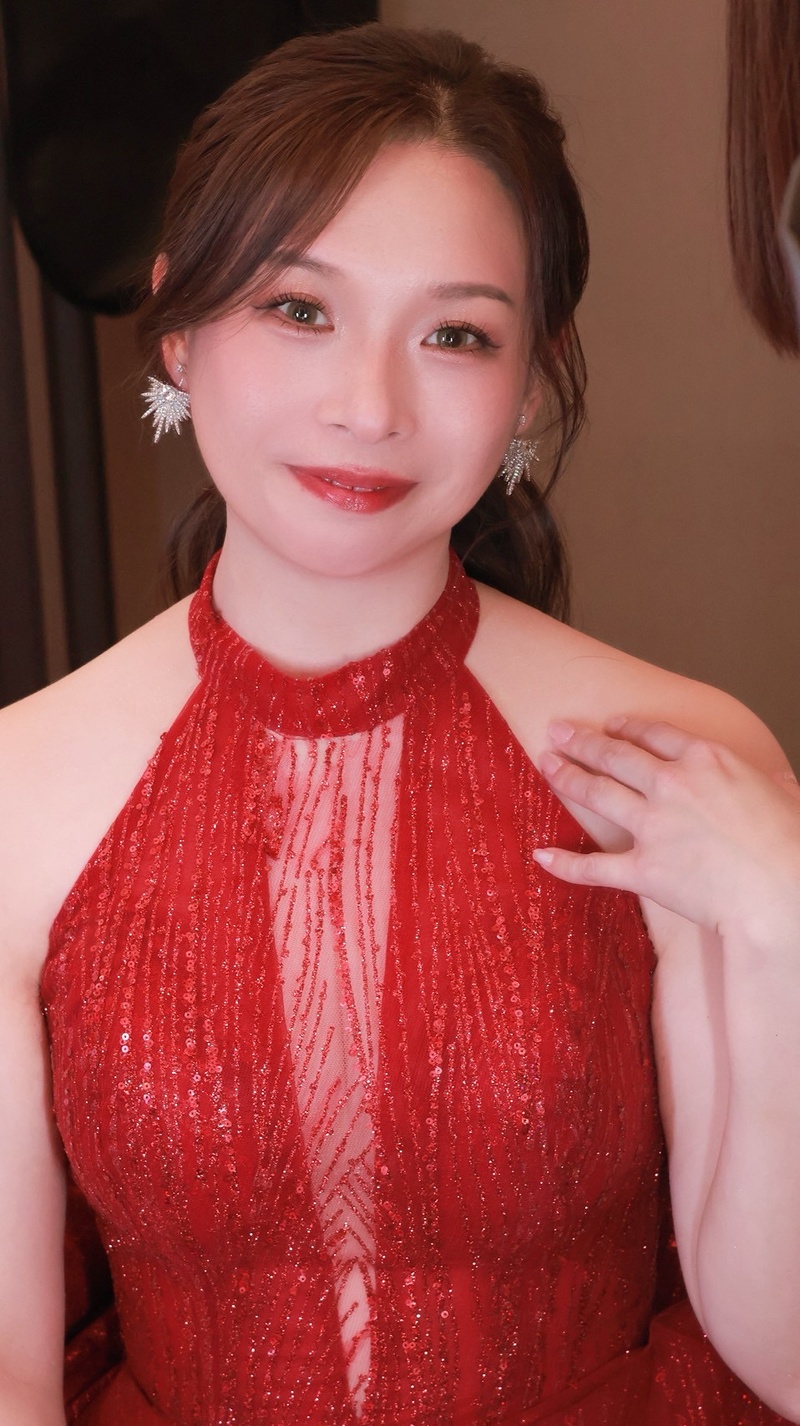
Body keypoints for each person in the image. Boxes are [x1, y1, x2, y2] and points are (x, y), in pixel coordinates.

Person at [0, 22, 798, 1426]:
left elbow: (785, 1355)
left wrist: (787, 923)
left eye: (456, 334)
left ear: (532, 378)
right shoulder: (23, 789)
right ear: (178, 320)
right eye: (300, 309)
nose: (367, 408)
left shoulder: (683, 761)